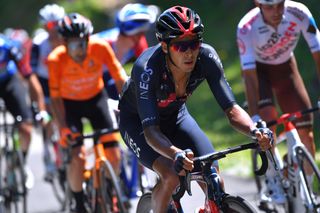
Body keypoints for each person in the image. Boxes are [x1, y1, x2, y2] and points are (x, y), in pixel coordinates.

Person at [119, 5, 273, 213]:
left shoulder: (206, 57)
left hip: (176, 117)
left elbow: (231, 109)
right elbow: (151, 131)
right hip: (139, 123)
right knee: (170, 175)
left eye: (194, 42)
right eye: (181, 46)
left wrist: (255, 131)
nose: (190, 52)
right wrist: (175, 154)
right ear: (164, 46)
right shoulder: (147, 69)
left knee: (214, 176)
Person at [237, 0, 320, 204]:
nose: (276, 11)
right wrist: (254, 115)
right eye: (269, 6)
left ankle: (307, 190)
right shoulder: (246, 27)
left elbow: (318, 55)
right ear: (258, 4)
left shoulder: (299, 12)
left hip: (286, 70)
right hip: (259, 73)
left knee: (306, 133)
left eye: (279, 4)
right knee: (267, 123)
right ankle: (273, 178)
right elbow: (249, 76)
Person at [47, 13, 128, 213]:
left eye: (84, 43)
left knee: (113, 150)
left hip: (95, 99)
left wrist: (129, 105)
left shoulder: (100, 47)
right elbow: (55, 99)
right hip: (70, 104)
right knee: (78, 156)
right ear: (64, 43)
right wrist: (63, 128)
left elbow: (119, 77)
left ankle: (110, 191)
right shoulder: (55, 60)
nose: (81, 50)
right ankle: (79, 202)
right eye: (75, 45)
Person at [0, 29, 47, 189]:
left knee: (26, 128)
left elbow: (30, 78)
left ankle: (19, 163)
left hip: (9, 83)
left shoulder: (7, 46)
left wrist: (41, 110)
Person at [30, 3, 65, 182]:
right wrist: (41, 105)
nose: (54, 29)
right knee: (47, 119)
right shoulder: (38, 43)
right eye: (50, 26)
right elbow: (32, 75)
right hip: (44, 82)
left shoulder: (67, 37)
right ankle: (47, 154)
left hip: (63, 79)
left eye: (57, 24)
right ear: (44, 26)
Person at [93, 3, 157, 100]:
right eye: (139, 33)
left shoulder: (138, 43)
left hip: (109, 76)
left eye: (142, 33)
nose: (141, 36)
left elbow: (146, 66)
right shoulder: (103, 43)